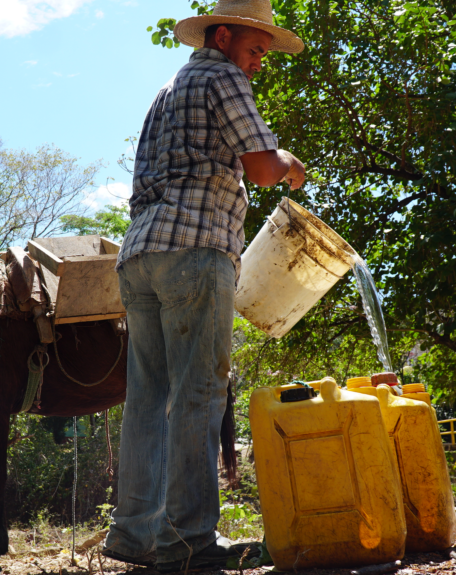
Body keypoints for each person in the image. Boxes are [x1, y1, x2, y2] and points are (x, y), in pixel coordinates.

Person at [101, 0, 307, 572]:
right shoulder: (223, 75)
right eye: (255, 50)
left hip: (140, 254)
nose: (258, 64)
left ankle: (137, 536)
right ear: (222, 36)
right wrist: (289, 162)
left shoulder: (166, 90)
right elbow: (264, 169)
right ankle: (188, 542)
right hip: (195, 252)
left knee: (148, 398)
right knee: (197, 395)